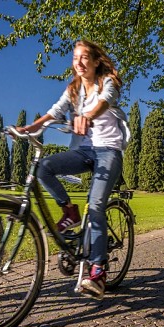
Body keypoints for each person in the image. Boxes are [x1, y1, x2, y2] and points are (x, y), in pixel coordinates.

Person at [15, 40, 129, 300]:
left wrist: (87, 117)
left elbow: (104, 102)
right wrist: (29, 128)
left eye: (84, 57)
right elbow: (55, 112)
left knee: (97, 206)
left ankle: (98, 272)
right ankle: (69, 211)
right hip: (83, 151)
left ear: (96, 61)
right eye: (75, 58)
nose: (78, 63)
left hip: (108, 150)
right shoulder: (74, 89)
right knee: (44, 167)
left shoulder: (106, 82)